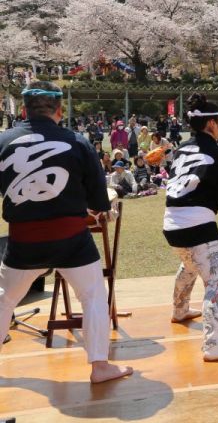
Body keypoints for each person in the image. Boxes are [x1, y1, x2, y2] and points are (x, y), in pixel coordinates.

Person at [0, 81, 133, 383]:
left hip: (23, 240)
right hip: (71, 239)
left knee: (4, 299)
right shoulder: (78, 142)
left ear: (23, 111)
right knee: (93, 296)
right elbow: (100, 201)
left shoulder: (3, 141)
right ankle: (100, 366)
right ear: (60, 111)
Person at [163, 93, 218, 361]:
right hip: (198, 227)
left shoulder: (182, 150)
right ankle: (213, 344)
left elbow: (207, 162)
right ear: (212, 125)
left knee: (190, 265)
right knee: (217, 281)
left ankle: (179, 310)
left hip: (171, 224)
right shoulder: (217, 155)